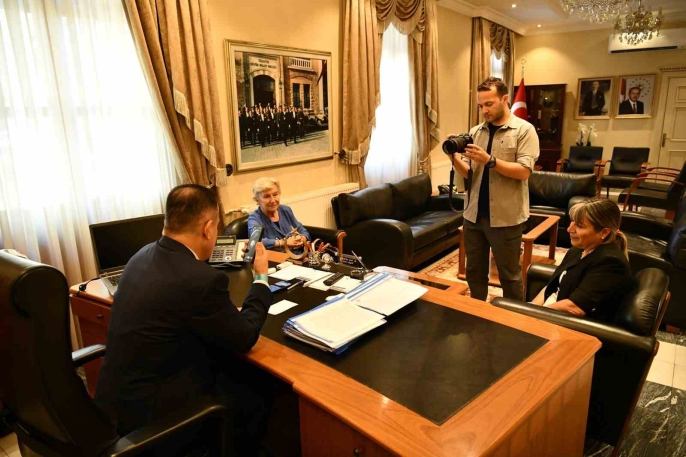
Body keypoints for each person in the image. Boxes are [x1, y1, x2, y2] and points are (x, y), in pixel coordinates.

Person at [95, 184, 273, 456]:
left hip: (114, 405)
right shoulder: (200, 281)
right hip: (156, 419)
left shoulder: (140, 257)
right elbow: (245, 336)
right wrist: (260, 278)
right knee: (258, 389)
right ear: (208, 228)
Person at [448, 77, 539, 301]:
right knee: (474, 271)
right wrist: (453, 157)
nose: (484, 111)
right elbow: (469, 173)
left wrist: (489, 160)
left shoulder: (524, 130)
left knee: (509, 275)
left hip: (506, 218)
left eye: (489, 104)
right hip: (473, 216)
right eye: (481, 105)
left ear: (505, 99)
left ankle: (513, 317)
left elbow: (524, 172)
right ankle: (478, 312)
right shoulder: (475, 132)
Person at [531, 198, 632, 321]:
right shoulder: (578, 249)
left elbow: (574, 308)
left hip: (572, 323)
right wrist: (531, 308)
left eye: (579, 225)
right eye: (572, 221)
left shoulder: (610, 263)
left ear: (604, 232)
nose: (569, 229)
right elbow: (553, 286)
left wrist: (533, 315)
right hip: (550, 310)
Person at [248, 177, 309, 252]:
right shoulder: (254, 218)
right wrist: (283, 243)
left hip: (297, 255)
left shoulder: (286, 210)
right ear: (257, 200)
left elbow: (303, 230)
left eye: (275, 194)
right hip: (275, 258)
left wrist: (302, 239)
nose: (273, 200)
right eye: (267, 196)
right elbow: (255, 241)